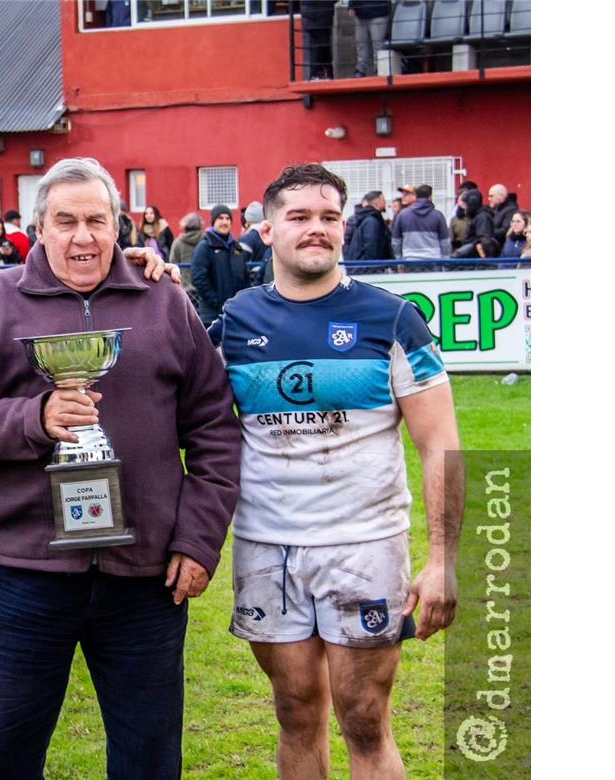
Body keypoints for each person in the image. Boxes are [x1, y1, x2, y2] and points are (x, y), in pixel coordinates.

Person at [0, 157, 242, 779]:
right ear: (38, 228)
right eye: (64, 221)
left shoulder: (164, 301)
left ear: (118, 227)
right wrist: (34, 419)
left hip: (147, 577)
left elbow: (215, 429)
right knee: (1, 758)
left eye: (96, 221)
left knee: (148, 759)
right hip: (25, 572)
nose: (82, 237)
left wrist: (199, 541)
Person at [209, 163, 461, 779]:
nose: (315, 229)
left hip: (364, 546)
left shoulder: (393, 319)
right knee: (295, 711)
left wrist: (442, 561)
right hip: (268, 548)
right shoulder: (236, 323)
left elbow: (441, 444)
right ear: (266, 231)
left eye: (328, 218)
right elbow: (190, 418)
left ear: (344, 229)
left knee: (365, 717)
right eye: (298, 217)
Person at [190, 203, 252, 326]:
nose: (224, 222)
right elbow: (198, 278)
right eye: (220, 218)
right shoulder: (204, 247)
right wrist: (217, 303)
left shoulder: (236, 247)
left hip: (236, 313)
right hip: (212, 315)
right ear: (213, 221)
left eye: (227, 218)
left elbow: (244, 276)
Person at [391, 184, 451, 261]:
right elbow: (445, 242)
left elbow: (396, 242)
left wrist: (399, 261)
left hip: (409, 258)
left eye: (407, 194)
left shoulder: (402, 215)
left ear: (416, 196)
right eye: (403, 194)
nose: (403, 196)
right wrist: (445, 260)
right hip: (433, 258)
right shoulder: (437, 215)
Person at [344, 189, 392, 263]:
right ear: (379, 201)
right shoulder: (371, 221)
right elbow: (371, 247)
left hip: (358, 265)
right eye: (384, 200)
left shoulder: (366, 218)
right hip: (366, 268)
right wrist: (373, 267)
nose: (385, 203)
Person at [169, 211, 205, 307]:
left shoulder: (178, 243)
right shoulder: (207, 241)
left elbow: (172, 263)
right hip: (203, 288)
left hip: (185, 288)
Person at [348, 1, 389, 76]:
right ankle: (361, 70)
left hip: (378, 13)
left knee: (378, 45)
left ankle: (379, 69)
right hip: (361, 15)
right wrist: (350, 6)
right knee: (361, 44)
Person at [451, 187, 495, 258]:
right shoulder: (475, 217)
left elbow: (483, 241)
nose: (465, 208)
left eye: (466, 205)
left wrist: (459, 253)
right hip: (471, 258)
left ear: (472, 203)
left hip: (476, 260)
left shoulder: (482, 217)